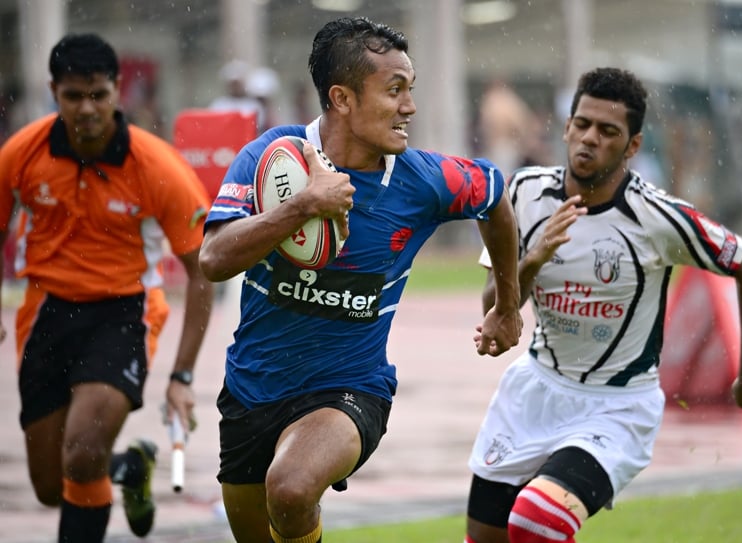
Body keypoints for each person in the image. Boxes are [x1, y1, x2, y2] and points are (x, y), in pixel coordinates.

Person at [199, 16, 523, 543]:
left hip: (350, 390)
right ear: (342, 98)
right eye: (394, 90)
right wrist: (305, 204)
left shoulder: (424, 180)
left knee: (291, 488)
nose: (409, 107)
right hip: (251, 391)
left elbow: (494, 198)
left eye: (411, 90)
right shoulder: (271, 158)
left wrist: (507, 306)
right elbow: (213, 259)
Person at [465, 67, 742, 543]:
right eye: (583, 125)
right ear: (566, 127)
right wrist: (534, 258)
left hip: (616, 406)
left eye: (608, 131)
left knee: (536, 521)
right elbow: (497, 303)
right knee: (485, 537)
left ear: (632, 146)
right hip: (533, 392)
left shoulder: (656, 216)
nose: (590, 139)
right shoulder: (524, 193)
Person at [0, 33, 213, 542]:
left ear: (119, 90)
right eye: (74, 96)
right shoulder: (22, 154)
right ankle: (127, 467)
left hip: (124, 313)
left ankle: (102, 463)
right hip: (45, 314)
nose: (88, 108)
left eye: (98, 94)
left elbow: (204, 269)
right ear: (54, 91)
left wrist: (182, 375)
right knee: (51, 485)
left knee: (80, 454)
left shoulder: (157, 166)